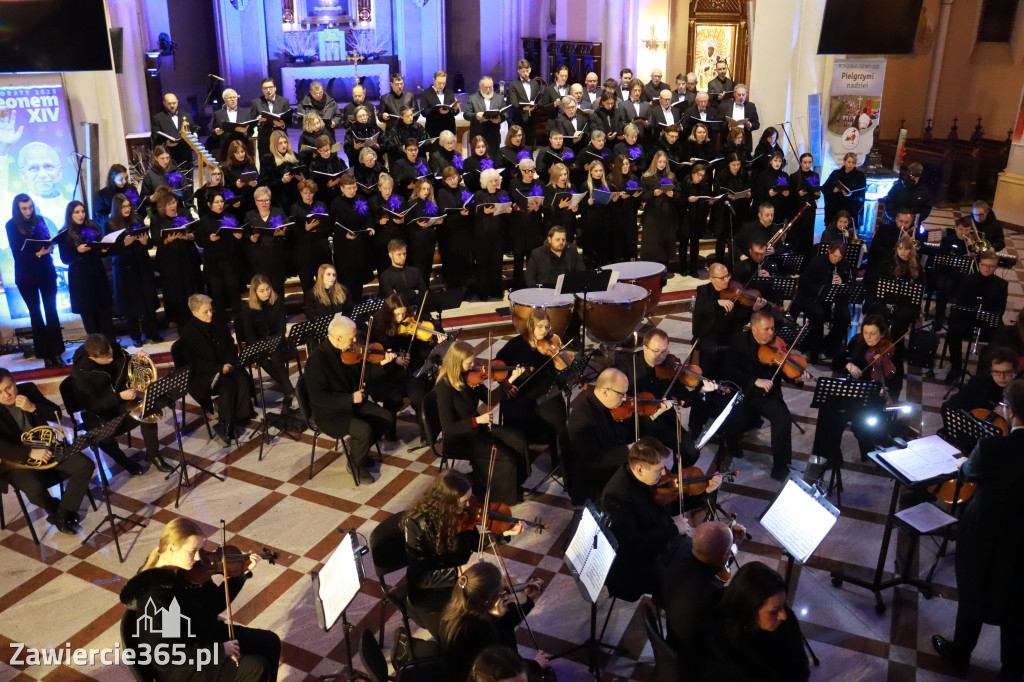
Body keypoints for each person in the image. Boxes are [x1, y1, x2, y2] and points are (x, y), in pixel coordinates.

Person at [932, 379, 1024, 682]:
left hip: (985, 528)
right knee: (1016, 600)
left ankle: (960, 654)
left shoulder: (992, 446)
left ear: (1011, 413)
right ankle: (1012, 670)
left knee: (973, 589)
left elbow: (968, 472)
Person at [119, 517, 281, 681]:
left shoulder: (188, 572)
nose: (198, 558)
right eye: (192, 551)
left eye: (200, 549)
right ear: (172, 549)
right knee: (256, 668)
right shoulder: (154, 596)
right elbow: (166, 655)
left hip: (204, 635)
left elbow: (215, 604)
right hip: (185, 668)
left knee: (269, 642)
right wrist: (219, 650)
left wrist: (240, 575)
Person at [402, 471, 524, 636]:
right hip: (431, 592)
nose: (469, 506)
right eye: (464, 502)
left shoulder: (463, 516)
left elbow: (474, 543)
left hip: (461, 580)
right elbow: (421, 578)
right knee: (469, 629)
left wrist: (504, 534)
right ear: (447, 502)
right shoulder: (417, 524)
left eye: (469, 498)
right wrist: (460, 571)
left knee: (496, 608)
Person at [602, 438, 704, 601]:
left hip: (658, 541)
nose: (664, 473)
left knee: (701, 556)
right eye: (659, 469)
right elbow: (633, 544)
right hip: (637, 565)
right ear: (640, 469)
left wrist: (705, 492)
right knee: (685, 580)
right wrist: (674, 529)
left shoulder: (643, 478)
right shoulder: (618, 496)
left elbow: (668, 505)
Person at [434, 341, 530, 505]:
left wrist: (511, 379)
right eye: (469, 362)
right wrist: (477, 420)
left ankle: (515, 485)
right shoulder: (444, 387)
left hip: (478, 427)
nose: (474, 366)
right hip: (461, 437)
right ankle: (503, 495)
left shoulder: (470, 377)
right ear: (456, 362)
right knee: (506, 459)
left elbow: (489, 398)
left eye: (473, 361)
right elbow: (449, 428)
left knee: (518, 439)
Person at [0, 368, 94, 535]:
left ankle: (62, 514)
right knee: (35, 489)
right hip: (16, 461)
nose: (6, 395)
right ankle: (55, 511)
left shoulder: (28, 390)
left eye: (8, 388)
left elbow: (56, 413)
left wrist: (33, 408)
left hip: (47, 447)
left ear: (15, 382)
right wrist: (29, 453)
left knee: (85, 464)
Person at [304, 314, 396, 483]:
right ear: (338, 338)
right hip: (331, 413)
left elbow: (365, 375)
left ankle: (358, 451)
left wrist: (382, 365)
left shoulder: (350, 351)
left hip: (354, 403)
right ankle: (356, 463)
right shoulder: (316, 361)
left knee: (386, 418)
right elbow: (319, 398)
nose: (355, 340)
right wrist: (350, 398)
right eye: (351, 337)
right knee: (364, 430)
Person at [722, 310, 811, 480]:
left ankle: (781, 466)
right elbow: (730, 371)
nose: (771, 333)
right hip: (745, 391)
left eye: (772, 328)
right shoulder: (738, 342)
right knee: (736, 420)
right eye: (766, 329)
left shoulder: (777, 343)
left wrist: (797, 377)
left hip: (767, 393)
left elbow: (784, 368)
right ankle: (732, 443)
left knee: (783, 418)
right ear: (754, 329)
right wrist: (754, 380)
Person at [807, 316, 902, 472]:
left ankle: (874, 443)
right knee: (826, 410)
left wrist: (884, 390)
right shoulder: (857, 342)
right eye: (865, 332)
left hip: (874, 399)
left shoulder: (892, 352)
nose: (868, 337)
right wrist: (848, 364)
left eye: (873, 333)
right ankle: (829, 455)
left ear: (883, 333)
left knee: (846, 415)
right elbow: (836, 361)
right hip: (854, 393)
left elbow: (896, 383)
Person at [71, 334, 174, 475]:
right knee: (102, 436)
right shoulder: (81, 375)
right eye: (107, 359)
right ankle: (124, 462)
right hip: (99, 413)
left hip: (121, 403)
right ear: (92, 358)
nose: (111, 359)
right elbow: (92, 405)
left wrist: (141, 360)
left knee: (147, 409)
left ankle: (153, 455)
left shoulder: (113, 350)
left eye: (111, 354)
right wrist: (119, 396)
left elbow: (128, 364)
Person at [700, 561, 811, 682]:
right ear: (749, 610)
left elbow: (801, 667)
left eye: (784, 604)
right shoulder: (721, 643)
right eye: (774, 611)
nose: (783, 616)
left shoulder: (786, 620)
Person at [439, 562, 549, 682]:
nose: (506, 592)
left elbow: (502, 625)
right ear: (488, 601)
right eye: (501, 591)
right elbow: (504, 664)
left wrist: (528, 600)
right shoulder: (479, 631)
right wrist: (536, 664)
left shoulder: (461, 608)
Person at [179, 294, 254, 444]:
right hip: (204, 374)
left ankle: (239, 415)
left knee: (242, 377)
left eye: (211, 310)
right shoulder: (188, 333)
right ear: (194, 313)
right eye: (205, 312)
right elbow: (195, 363)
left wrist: (228, 363)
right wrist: (218, 368)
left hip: (225, 365)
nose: (210, 314)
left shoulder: (218, 323)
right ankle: (226, 423)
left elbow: (229, 345)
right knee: (227, 387)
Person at [495, 309, 569, 453]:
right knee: (518, 415)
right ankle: (520, 454)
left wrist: (561, 365)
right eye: (540, 327)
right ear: (531, 326)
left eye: (547, 327)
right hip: (521, 393)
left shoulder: (550, 342)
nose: (544, 331)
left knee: (558, 417)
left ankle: (558, 461)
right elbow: (498, 368)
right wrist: (505, 384)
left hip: (545, 391)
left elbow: (557, 370)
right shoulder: (514, 345)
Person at [5, 194, 65, 366]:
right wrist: (38, 253)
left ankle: (57, 352)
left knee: (51, 311)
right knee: (36, 313)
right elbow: (17, 252)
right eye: (24, 208)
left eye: (30, 207)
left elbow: (46, 239)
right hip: (26, 274)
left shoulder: (39, 219)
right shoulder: (11, 224)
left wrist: (50, 246)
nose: (28, 211)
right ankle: (45, 354)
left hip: (46, 271)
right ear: (18, 209)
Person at [662, 521, 735, 653]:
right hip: (694, 660)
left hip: (672, 643)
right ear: (725, 555)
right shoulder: (715, 596)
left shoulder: (677, 555)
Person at [945, 250, 1008, 385]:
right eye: (984, 265)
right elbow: (961, 303)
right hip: (967, 318)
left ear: (996, 267)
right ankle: (956, 367)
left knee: (1001, 337)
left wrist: (988, 317)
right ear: (979, 265)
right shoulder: (968, 279)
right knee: (953, 331)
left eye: (991, 266)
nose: (987, 268)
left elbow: (1000, 310)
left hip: (988, 320)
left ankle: (985, 372)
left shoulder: (1001, 284)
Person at [106, 194, 160, 346]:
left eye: (128, 206)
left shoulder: (136, 219)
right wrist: (125, 244)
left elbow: (148, 243)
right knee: (131, 305)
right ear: (117, 208)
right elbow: (109, 250)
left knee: (148, 300)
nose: (127, 209)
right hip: (124, 269)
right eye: (123, 207)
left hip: (141, 265)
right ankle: (136, 336)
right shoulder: (110, 224)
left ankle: (152, 332)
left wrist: (145, 242)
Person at [58, 200, 115, 342]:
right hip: (80, 280)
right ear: (70, 215)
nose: (81, 215)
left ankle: (111, 347)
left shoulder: (93, 227)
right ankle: (96, 350)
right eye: (77, 212)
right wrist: (77, 251)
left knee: (105, 316)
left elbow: (102, 251)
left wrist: (104, 250)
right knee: (89, 318)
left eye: (82, 211)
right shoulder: (64, 233)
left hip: (97, 275)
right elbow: (65, 259)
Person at [235, 275, 295, 408]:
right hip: (258, 344)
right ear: (255, 293)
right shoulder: (249, 308)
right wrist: (263, 348)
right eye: (262, 291)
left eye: (268, 289)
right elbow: (250, 336)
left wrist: (272, 345)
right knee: (262, 359)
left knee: (275, 355)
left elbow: (281, 328)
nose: (266, 293)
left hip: (276, 341)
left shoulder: (278, 301)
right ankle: (288, 388)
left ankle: (288, 390)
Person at [790, 239, 852, 363]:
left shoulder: (844, 264)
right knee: (819, 315)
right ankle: (814, 350)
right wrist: (825, 287)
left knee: (844, 316)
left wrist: (842, 283)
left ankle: (831, 347)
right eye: (835, 256)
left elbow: (850, 284)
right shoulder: (817, 262)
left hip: (834, 299)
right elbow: (805, 283)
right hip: (812, 297)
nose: (837, 260)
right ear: (829, 251)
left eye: (840, 257)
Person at [197, 191, 244, 320]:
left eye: (222, 202)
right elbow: (199, 241)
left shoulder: (230, 217)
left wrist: (239, 236)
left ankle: (239, 321)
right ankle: (221, 323)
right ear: (209, 204)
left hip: (230, 261)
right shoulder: (204, 220)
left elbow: (239, 236)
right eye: (216, 202)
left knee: (234, 292)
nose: (220, 205)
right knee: (217, 294)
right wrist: (209, 239)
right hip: (213, 264)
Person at [329, 173, 375, 300]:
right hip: (345, 248)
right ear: (342, 188)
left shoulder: (361, 199)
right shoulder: (336, 204)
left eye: (354, 187)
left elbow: (368, 217)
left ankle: (358, 307)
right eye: (349, 188)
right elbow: (334, 225)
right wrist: (345, 235)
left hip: (360, 246)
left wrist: (370, 226)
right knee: (347, 283)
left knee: (359, 282)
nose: (352, 191)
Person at [472, 168, 511, 300]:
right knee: (482, 265)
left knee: (496, 264)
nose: (494, 183)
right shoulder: (478, 194)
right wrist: (485, 212)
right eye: (491, 181)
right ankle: (483, 292)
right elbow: (474, 213)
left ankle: (496, 291)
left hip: (498, 235)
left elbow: (507, 218)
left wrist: (508, 211)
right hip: (481, 236)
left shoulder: (503, 193)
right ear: (485, 182)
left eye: (496, 180)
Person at [508, 157, 545, 289]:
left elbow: (543, 204)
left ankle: (531, 285)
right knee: (518, 256)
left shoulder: (539, 183)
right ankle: (517, 285)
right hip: (518, 225)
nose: (530, 173)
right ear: (521, 171)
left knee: (532, 257)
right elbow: (508, 200)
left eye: (532, 170)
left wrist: (538, 207)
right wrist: (514, 207)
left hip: (533, 225)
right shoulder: (514, 183)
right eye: (527, 171)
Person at [289, 178, 331, 290]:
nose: (308, 196)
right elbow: (294, 230)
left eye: (311, 193)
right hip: (305, 251)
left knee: (323, 284)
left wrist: (316, 230)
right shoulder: (295, 207)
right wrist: (306, 229)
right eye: (305, 193)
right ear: (300, 193)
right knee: (307, 285)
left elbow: (328, 226)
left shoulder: (321, 205)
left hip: (320, 249)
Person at [947, 346, 1018, 413]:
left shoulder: (1020, 392)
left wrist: (1010, 417)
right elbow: (951, 405)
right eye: (997, 372)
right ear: (991, 370)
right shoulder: (978, 383)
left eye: (1007, 372)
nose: (1002, 377)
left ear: (1015, 371)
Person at [639, 151, 677, 266]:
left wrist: (672, 194)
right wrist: (653, 193)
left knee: (665, 244)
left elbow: (679, 194)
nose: (662, 164)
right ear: (655, 161)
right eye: (659, 162)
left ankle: (664, 267)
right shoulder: (647, 177)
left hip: (667, 216)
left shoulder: (671, 176)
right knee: (652, 244)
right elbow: (641, 196)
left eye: (664, 162)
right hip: (652, 216)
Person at [787, 153, 821, 259]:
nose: (807, 165)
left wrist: (817, 194)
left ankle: (806, 263)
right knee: (796, 238)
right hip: (796, 210)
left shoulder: (814, 176)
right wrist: (798, 194)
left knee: (807, 238)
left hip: (809, 210)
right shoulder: (794, 176)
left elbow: (817, 193)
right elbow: (790, 195)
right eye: (805, 162)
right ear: (801, 163)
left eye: (809, 162)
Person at [249, 78, 292, 160]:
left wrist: (282, 124)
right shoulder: (256, 102)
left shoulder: (284, 101)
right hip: (264, 139)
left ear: (275, 87)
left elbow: (289, 121)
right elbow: (251, 121)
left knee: (282, 163)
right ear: (262, 89)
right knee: (265, 165)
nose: (268, 90)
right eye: (265, 88)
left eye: (270, 87)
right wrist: (258, 120)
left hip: (280, 139)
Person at [150, 93, 196, 166]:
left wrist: (195, 134)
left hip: (186, 154)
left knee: (188, 177)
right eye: (169, 103)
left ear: (177, 102)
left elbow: (192, 128)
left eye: (174, 103)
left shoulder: (186, 115)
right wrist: (166, 143)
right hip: (169, 155)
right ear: (164, 103)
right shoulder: (157, 118)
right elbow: (155, 136)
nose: (172, 105)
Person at [505, 60, 543, 147]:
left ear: (530, 69)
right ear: (519, 71)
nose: (526, 73)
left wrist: (535, 106)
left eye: (527, 71)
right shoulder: (513, 84)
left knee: (530, 146)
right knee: (518, 145)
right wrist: (524, 107)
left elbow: (540, 99)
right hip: (519, 119)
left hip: (532, 120)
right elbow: (513, 103)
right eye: (523, 71)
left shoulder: (535, 83)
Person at [464, 77, 507, 154]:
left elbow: (506, 114)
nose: (488, 90)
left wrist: (499, 119)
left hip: (493, 137)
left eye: (490, 87)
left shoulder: (499, 98)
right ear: (480, 87)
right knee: (478, 163)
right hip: (478, 136)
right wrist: (476, 116)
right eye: (486, 87)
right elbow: (466, 114)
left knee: (493, 162)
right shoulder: (472, 98)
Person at [822, 152, 866, 226]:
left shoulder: (860, 176)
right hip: (835, 208)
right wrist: (834, 190)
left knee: (848, 232)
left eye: (853, 163)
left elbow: (861, 194)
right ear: (844, 162)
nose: (850, 165)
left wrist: (851, 195)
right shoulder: (836, 173)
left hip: (850, 208)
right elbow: (825, 188)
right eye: (849, 162)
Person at [210, 88, 254, 160]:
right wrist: (216, 132)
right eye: (230, 98)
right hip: (226, 148)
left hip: (242, 148)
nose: (233, 99)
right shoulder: (218, 114)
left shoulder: (245, 113)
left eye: (234, 97)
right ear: (225, 99)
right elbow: (212, 131)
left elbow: (251, 131)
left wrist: (245, 131)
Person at [884, 161, 932, 225]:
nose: (914, 178)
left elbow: (926, 208)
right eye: (912, 176)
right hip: (895, 222)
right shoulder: (897, 188)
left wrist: (914, 220)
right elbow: (889, 203)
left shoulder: (924, 191)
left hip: (913, 224)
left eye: (917, 176)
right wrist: (896, 218)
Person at [93, 164, 138, 229]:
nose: (124, 181)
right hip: (114, 228)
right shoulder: (103, 195)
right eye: (121, 179)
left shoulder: (131, 189)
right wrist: (112, 215)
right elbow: (99, 219)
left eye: (125, 178)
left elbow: (139, 206)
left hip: (132, 225)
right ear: (113, 178)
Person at [421, 70, 460, 137]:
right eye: (439, 83)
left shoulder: (449, 92)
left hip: (449, 130)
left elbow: (454, 113)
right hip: (434, 130)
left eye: (444, 83)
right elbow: (424, 112)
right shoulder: (426, 93)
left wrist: (456, 109)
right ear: (434, 80)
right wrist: (438, 111)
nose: (441, 85)